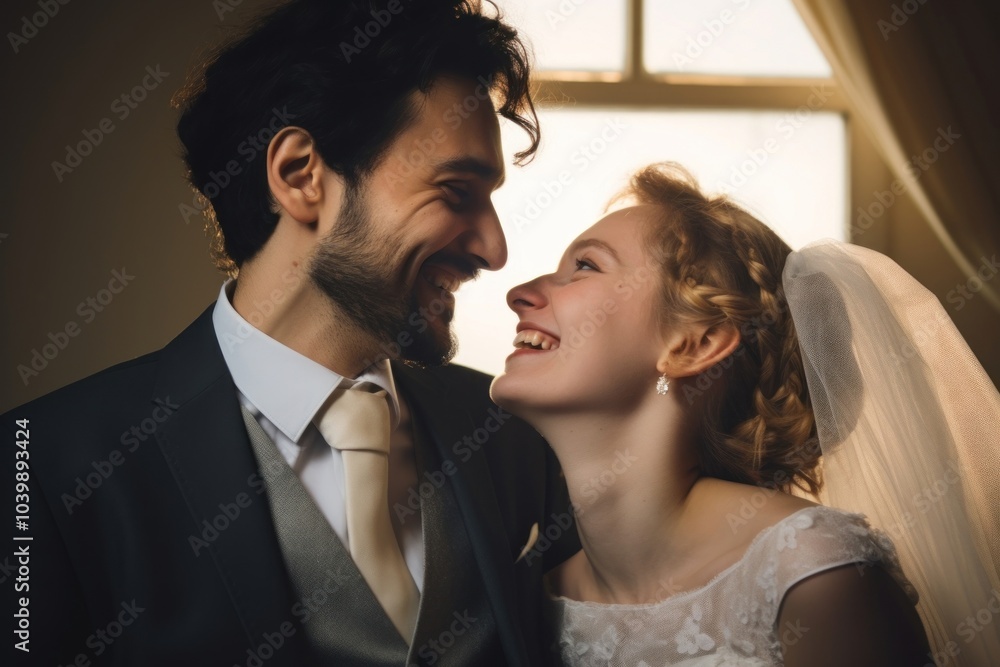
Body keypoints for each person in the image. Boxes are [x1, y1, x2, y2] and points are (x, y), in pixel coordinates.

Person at [4, 1, 578, 665]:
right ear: (300, 174)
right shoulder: (40, 467)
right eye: (455, 190)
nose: (494, 247)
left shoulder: (517, 433)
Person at [491, 162, 1000, 666]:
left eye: (585, 266)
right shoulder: (529, 604)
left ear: (695, 345)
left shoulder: (812, 572)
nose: (520, 294)